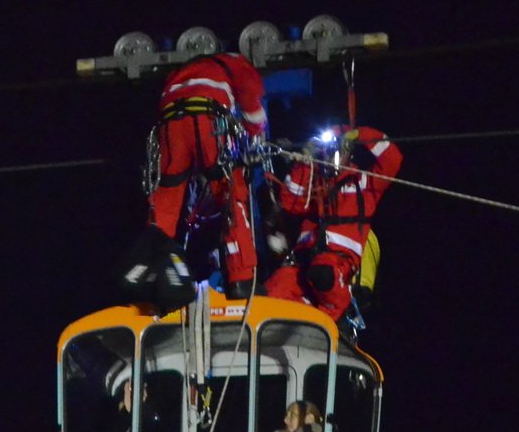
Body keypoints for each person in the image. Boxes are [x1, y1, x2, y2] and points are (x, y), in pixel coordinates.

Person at [122, 52, 268, 305]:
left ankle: (149, 273)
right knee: (232, 196)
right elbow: (250, 91)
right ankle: (242, 280)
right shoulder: (234, 62)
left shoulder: (179, 73)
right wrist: (256, 129)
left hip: (169, 126)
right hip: (207, 119)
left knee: (165, 206)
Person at [264, 125, 402, 329]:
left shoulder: (364, 184)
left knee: (323, 273)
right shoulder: (314, 182)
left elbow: (392, 159)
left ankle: (339, 316)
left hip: (336, 263)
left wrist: (359, 134)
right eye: (326, 152)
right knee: (274, 288)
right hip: (303, 264)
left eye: (335, 151)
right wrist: (305, 160)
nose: (330, 156)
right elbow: (290, 202)